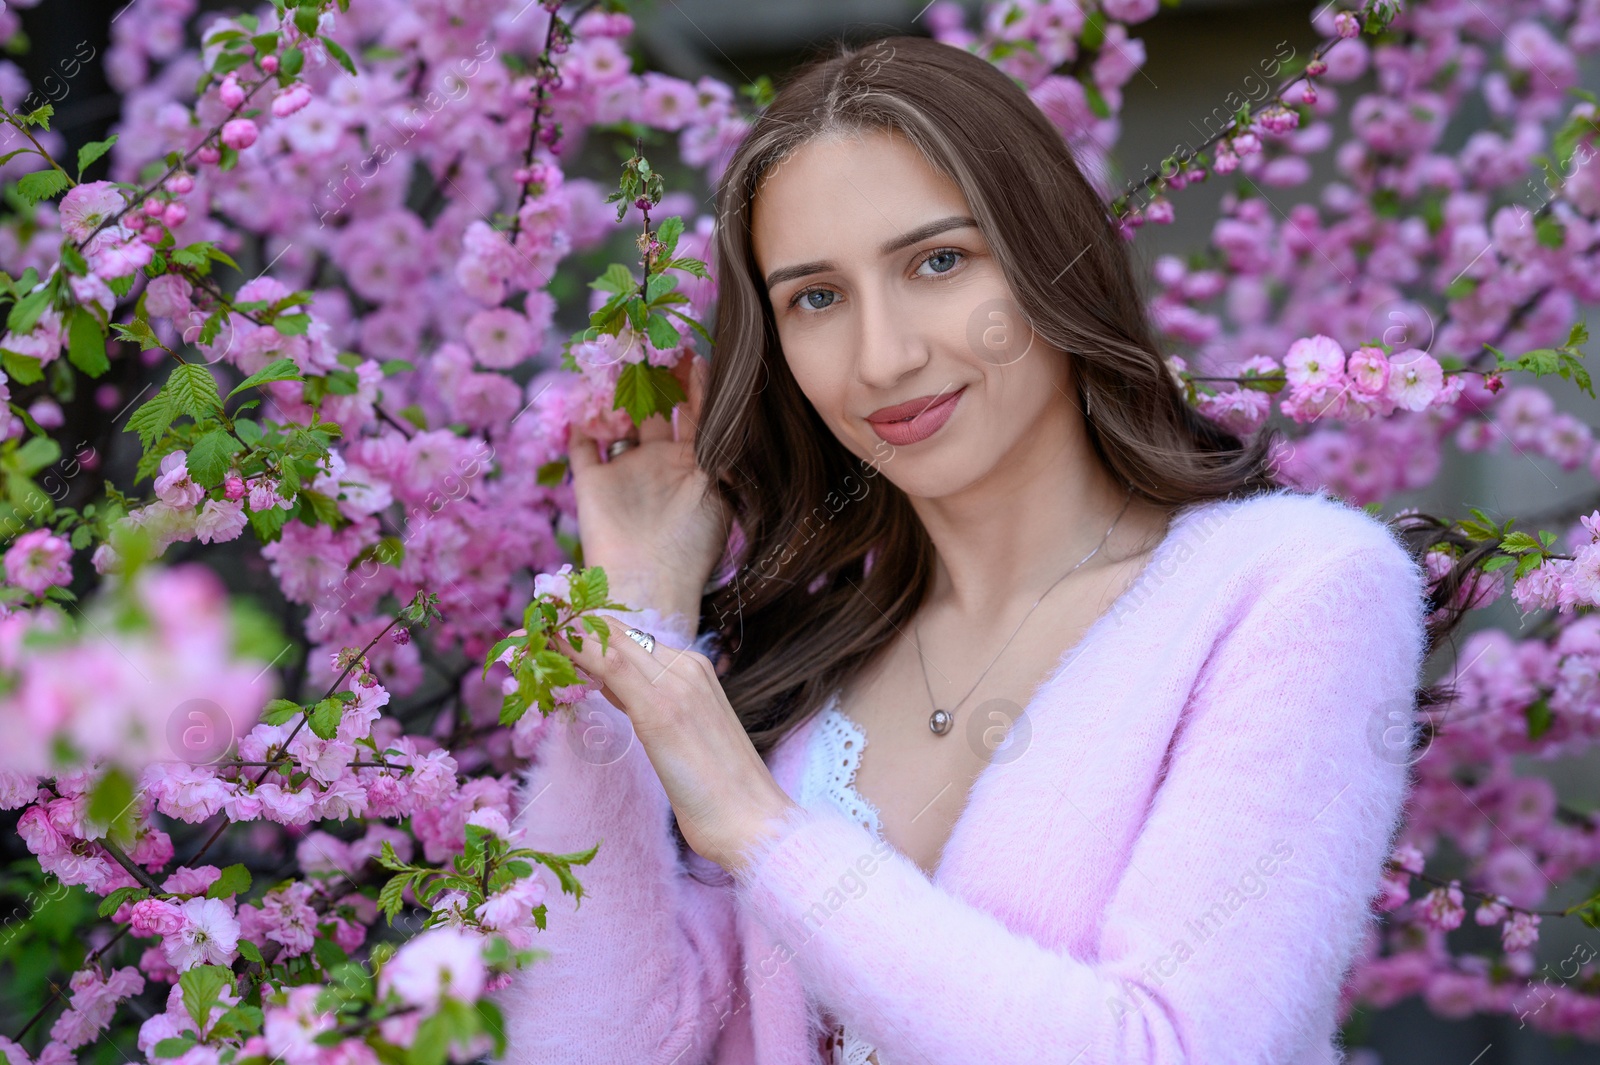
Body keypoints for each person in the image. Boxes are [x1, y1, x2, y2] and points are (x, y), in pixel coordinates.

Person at [495, 32, 1442, 1065]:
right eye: (816, 297)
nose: (885, 356)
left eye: (937, 262)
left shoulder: (1289, 590)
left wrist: (764, 833)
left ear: (1050, 255)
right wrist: (633, 616)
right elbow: (595, 1045)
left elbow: (1173, 1048)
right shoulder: (813, 689)